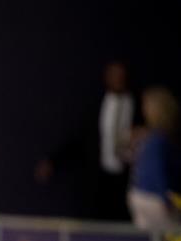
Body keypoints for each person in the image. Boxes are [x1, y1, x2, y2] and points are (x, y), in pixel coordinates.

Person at [36, 61, 136, 219]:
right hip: (97, 180)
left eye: (121, 76)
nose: (118, 79)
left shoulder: (137, 106)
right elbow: (77, 138)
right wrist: (53, 160)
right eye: (114, 75)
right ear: (107, 78)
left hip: (126, 182)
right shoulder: (94, 104)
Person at [127, 87, 181, 230]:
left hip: (139, 195)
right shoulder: (158, 140)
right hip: (152, 198)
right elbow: (158, 171)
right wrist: (165, 199)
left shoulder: (153, 138)